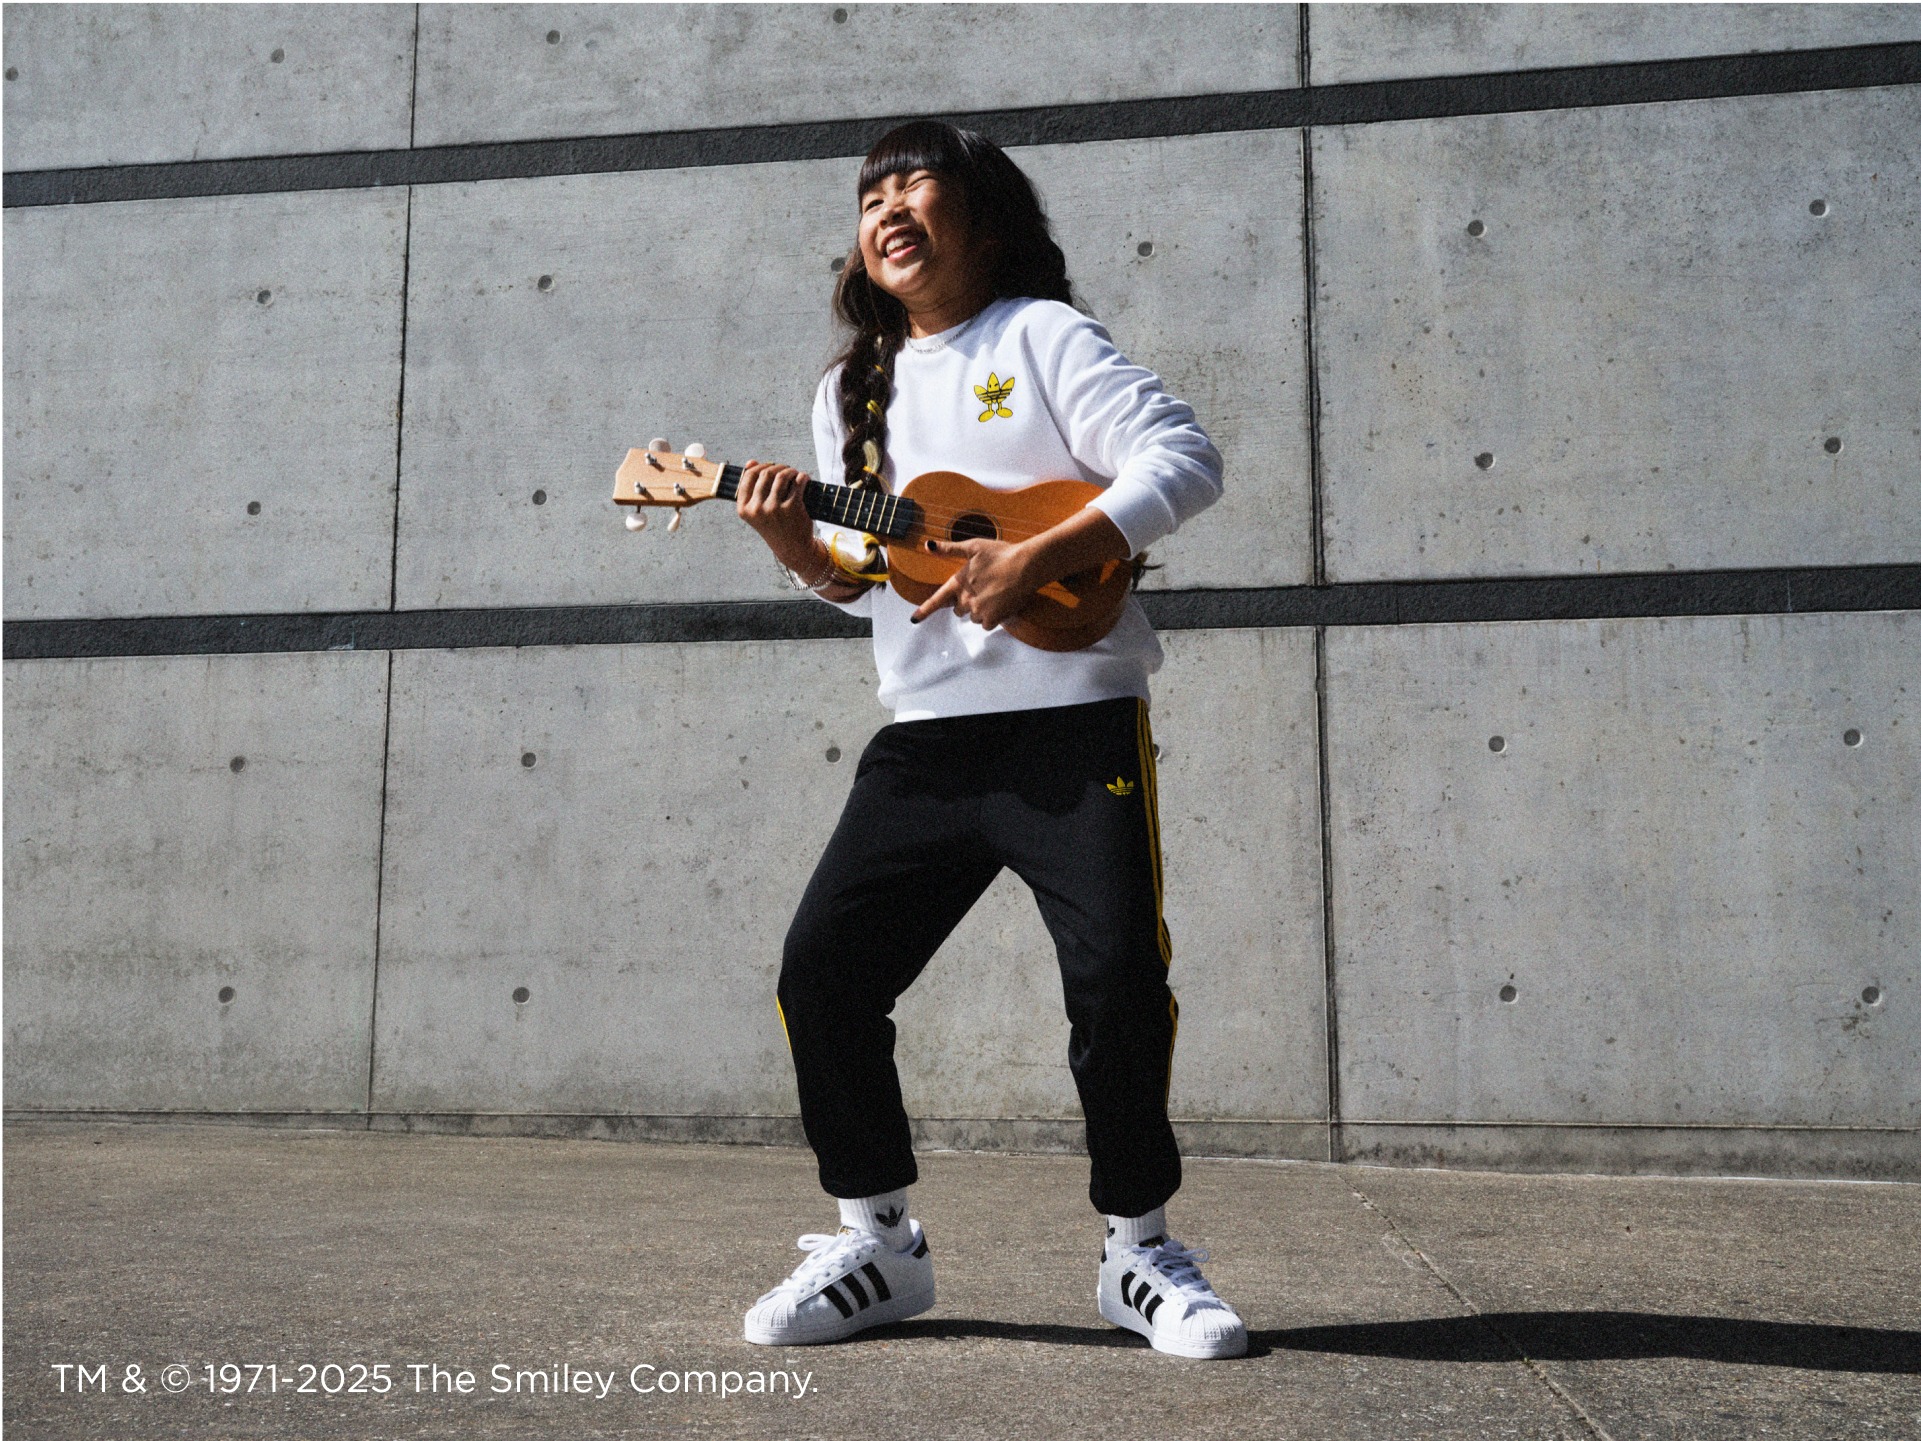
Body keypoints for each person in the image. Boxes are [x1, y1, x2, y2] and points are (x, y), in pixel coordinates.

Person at [729, 121, 1245, 1361]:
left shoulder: (1041, 337)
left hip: (1071, 725)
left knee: (1116, 980)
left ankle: (1140, 1250)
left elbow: (1186, 457)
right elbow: (867, 571)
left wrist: (1038, 555)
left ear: (986, 215)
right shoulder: (847, 394)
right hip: (928, 737)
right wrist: (797, 545)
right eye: (869, 190)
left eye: (914, 180)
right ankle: (878, 1242)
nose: (887, 205)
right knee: (825, 974)